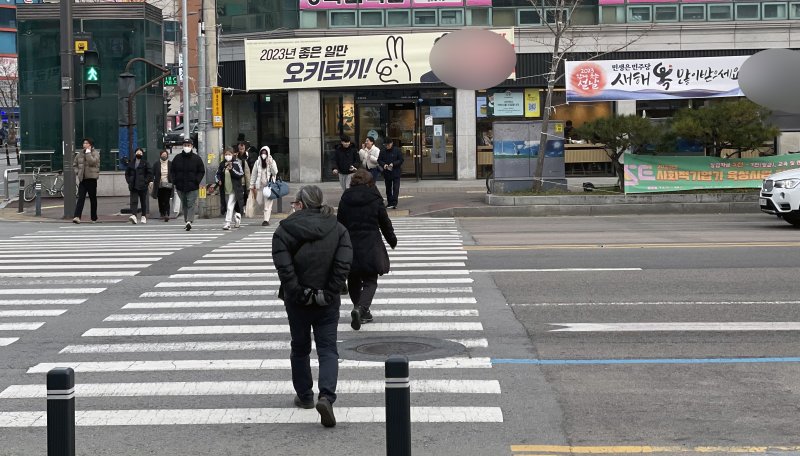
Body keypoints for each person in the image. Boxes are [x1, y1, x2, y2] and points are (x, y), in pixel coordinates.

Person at [272, 185, 352, 428]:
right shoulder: (337, 228)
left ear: (300, 204)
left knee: (300, 348)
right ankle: (326, 396)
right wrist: (329, 291)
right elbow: (343, 263)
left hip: (297, 301)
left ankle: (305, 396)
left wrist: (297, 291)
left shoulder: (285, 229)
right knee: (328, 348)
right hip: (327, 301)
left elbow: (284, 267)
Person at [337, 169, 397, 330]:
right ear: (370, 182)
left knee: (354, 279)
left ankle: (361, 310)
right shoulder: (374, 198)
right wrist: (392, 240)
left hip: (350, 244)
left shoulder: (345, 197)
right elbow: (384, 222)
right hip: (370, 243)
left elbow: (339, 223)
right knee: (370, 280)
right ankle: (361, 309)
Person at [169, 138, 205, 231]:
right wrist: (175, 181)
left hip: (193, 186)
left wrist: (197, 180)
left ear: (192, 146)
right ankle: (187, 221)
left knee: (190, 203)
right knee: (184, 203)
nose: (186, 147)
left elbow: (201, 171)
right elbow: (172, 171)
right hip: (180, 186)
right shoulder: (177, 158)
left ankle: (189, 221)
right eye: (185, 145)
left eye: (188, 145)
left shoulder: (197, 158)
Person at [72, 138, 100, 224]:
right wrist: (78, 172)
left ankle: (94, 217)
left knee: (93, 198)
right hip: (83, 179)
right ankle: (77, 216)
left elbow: (93, 162)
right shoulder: (79, 154)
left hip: (91, 179)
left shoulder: (95, 153)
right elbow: (75, 164)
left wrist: (88, 153)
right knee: (81, 198)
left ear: (90, 145)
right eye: (84, 143)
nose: (84, 145)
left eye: (86, 143)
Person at [249, 146, 279, 226]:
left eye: (265, 153)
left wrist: (271, 163)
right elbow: (254, 174)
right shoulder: (257, 162)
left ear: (268, 153)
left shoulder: (271, 161)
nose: (263, 154)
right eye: (262, 153)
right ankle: (265, 213)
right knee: (259, 202)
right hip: (260, 186)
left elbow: (275, 172)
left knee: (267, 204)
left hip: (269, 186)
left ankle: (266, 220)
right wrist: (252, 185)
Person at [216, 148, 245, 230]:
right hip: (225, 189)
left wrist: (231, 169)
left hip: (235, 189)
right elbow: (217, 174)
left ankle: (227, 223)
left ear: (233, 154)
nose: (227, 156)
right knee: (233, 206)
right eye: (226, 154)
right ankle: (237, 218)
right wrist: (218, 180)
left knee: (229, 205)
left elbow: (240, 174)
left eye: (229, 154)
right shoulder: (222, 164)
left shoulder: (236, 163)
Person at [125, 147, 153, 224]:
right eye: (137, 153)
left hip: (142, 185)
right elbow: (127, 173)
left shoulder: (145, 163)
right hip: (133, 185)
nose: (139, 154)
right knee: (133, 201)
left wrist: (146, 181)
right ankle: (134, 215)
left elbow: (150, 173)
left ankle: (143, 216)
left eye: (140, 153)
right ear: (135, 153)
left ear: (142, 154)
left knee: (143, 201)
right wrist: (129, 181)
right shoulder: (131, 163)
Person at [377, 138, 404, 209]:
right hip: (387, 172)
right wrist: (384, 165)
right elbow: (379, 160)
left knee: (396, 188)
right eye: (386, 145)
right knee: (388, 188)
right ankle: (389, 202)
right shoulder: (382, 151)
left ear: (392, 143)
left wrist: (393, 164)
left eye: (388, 145)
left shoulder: (397, 150)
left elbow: (401, 160)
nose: (387, 146)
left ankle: (394, 203)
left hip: (396, 171)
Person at [152, 150, 173, 222]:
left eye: (165, 155)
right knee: (160, 200)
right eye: (163, 155)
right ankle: (162, 212)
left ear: (167, 155)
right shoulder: (156, 164)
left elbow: (173, 173)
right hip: (159, 184)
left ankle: (167, 213)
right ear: (160, 155)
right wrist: (152, 181)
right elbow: (153, 173)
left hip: (168, 184)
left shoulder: (170, 164)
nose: (164, 156)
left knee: (166, 200)